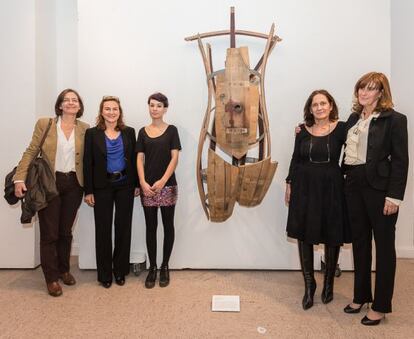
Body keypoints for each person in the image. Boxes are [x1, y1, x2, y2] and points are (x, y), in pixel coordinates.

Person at [342, 72, 409, 325]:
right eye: (361, 87)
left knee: (383, 247)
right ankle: (360, 295)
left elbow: (401, 162)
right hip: (353, 185)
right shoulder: (353, 119)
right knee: (359, 243)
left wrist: (394, 197)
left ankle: (380, 305)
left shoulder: (394, 120)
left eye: (371, 89)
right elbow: (336, 138)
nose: (364, 92)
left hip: (380, 190)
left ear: (381, 93)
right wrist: (303, 127)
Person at [13, 89, 89, 297]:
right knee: (49, 233)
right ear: (60, 105)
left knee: (65, 231)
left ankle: (64, 269)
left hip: (74, 183)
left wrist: (91, 188)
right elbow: (31, 150)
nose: (71, 103)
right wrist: (19, 178)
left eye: (75, 100)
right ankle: (51, 278)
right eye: (67, 100)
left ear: (80, 106)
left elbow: (89, 160)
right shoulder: (45, 124)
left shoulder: (85, 128)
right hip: (49, 183)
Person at [285, 89, 351, 310]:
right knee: (305, 233)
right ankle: (309, 284)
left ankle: (329, 284)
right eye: (315, 104)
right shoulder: (302, 130)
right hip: (304, 187)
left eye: (323, 103)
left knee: (332, 234)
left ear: (331, 106)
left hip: (332, 187)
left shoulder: (343, 128)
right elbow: (296, 159)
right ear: (310, 108)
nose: (320, 107)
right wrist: (289, 183)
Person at [83, 96, 139, 288]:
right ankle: (105, 274)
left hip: (125, 185)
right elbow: (87, 163)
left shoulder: (129, 132)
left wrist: (137, 184)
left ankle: (120, 271)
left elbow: (134, 160)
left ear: (119, 112)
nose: (111, 112)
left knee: (123, 228)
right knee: (103, 230)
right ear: (101, 112)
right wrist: (88, 191)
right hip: (101, 187)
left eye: (115, 109)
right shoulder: (92, 134)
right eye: (107, 109)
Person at [136, 92, 181, 288]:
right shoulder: (142, 132)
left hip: (167, 185)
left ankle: (165, 266)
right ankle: (152, 267)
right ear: (148, 107)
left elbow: (174, 158)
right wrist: (142, 182)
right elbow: (139, 159)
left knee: (168, 225)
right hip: (147, 187)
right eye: (152, 105)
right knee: (150, 227)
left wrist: (163, 180)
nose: (155, 108)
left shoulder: (172, 131)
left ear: (165, 109)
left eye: (159, 105)